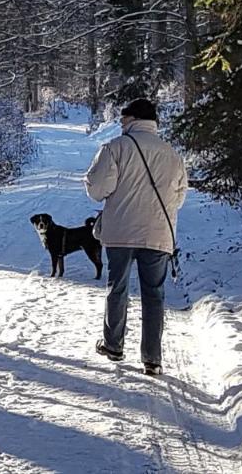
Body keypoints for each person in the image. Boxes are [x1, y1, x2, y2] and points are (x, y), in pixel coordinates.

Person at [84, 97, 188, 376]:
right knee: (154, 294)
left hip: (120, 232)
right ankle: (152, 359)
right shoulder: (172, 153)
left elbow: (97, 189)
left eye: (123, 119)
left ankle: (113, 345)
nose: (120, 123)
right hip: (158, 234)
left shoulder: (115, 148)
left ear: (133, 119)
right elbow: (178, 198)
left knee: (117, 287)